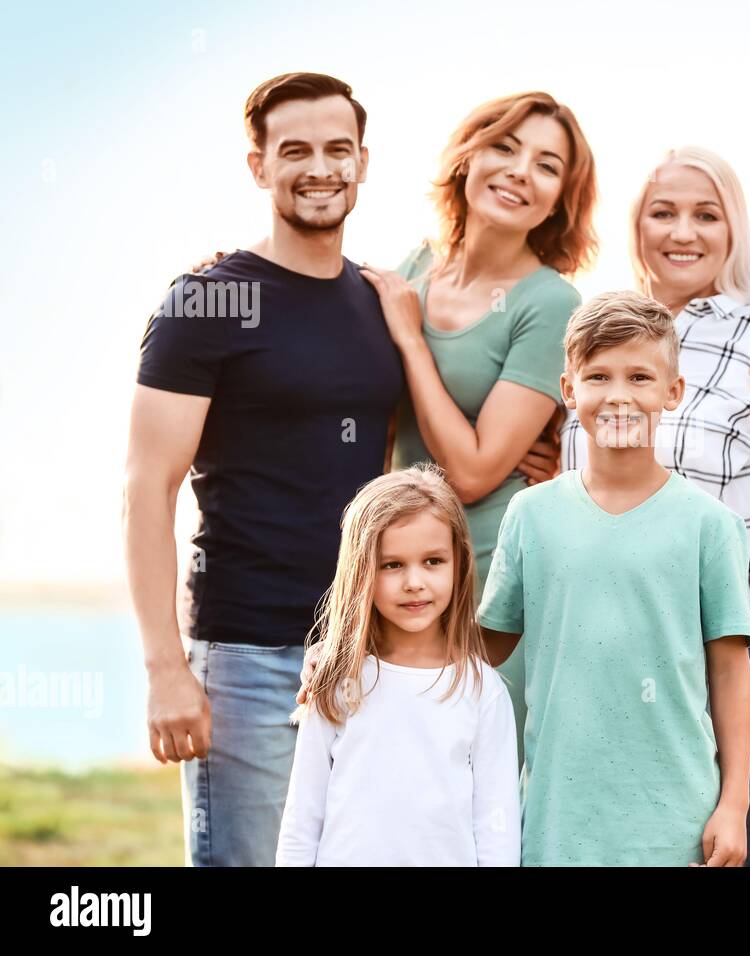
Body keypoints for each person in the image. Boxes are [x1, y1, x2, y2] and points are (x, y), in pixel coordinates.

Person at [124, 73, 404, 867]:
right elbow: (147, 488)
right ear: (259, 166)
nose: (320, 168)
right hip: (246, 657)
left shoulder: (378, 300)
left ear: (362, 162)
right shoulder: (204, 305)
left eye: (337, 150)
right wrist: (167, 670)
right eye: (296, 152)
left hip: (363, 649)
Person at [559, 146, 750, 866]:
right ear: (636, 226)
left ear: (731, 229)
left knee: (725, 846)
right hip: (610, 642)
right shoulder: (600, 329)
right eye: (664, 213)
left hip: (734, 650)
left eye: (705, 215)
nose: (684, 232)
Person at [478, 291, 750, 865]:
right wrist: (364, 658)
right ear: (569, 389)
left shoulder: (710, 525)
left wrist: (734, 806)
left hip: (677, 823)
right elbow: (483, 648)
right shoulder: (530, 516)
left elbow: (730, 671)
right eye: (599, 376)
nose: (619, 395)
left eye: (640, 376)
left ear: (672, 392)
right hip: (557, 821)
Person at [359, 92, 597, 763]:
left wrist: (410, 341)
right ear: (467, 156)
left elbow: (471, 471)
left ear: (559, 200)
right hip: (396, 576)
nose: (521, 171)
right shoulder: (411, 269)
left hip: (487, 587)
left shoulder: (550, 303)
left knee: (475, 791)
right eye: (504, 147)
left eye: (547, 166)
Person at [276, 466, 520, 866]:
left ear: (458, 562)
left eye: (433, 561)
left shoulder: (481, 689)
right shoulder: (338, 681)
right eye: (392, 565)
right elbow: (303, 817)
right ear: (361, 570)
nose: (414, 582)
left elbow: (496, 824)